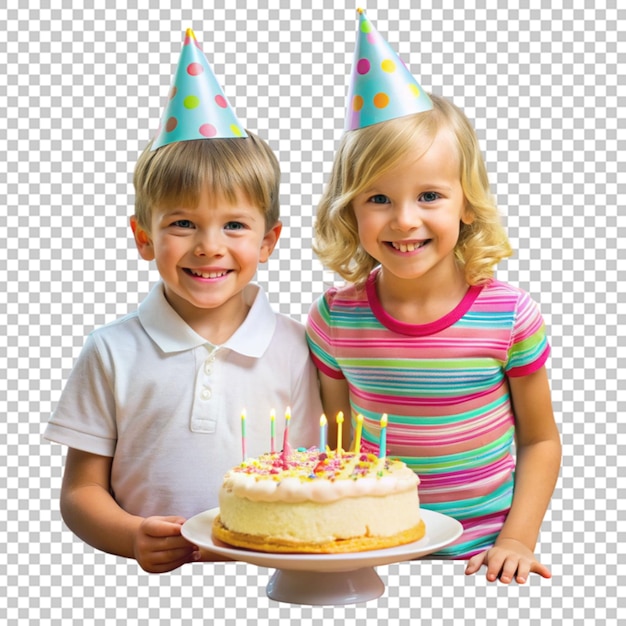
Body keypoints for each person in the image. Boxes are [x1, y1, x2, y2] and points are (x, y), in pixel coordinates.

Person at [44, 29, 321, 574]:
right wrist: (131, 537)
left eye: (235, 225)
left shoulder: (294, 346)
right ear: (144, 238)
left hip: (270, 577)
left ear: (269, 241)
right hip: (145, 589)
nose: (209, 246)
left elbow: (311, 472)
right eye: (183, 223)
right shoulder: (111, 350)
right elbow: (80, 494)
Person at [306, 10, 561, 585]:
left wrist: (517, 540)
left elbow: (541, 439)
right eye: (377, 198)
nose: (403, 220)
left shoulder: (508, 316)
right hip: (374, 549)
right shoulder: (334, 319)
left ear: (466, 203)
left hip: (483, 559)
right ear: (349, 207)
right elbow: (341, 442)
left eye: (428, 195)